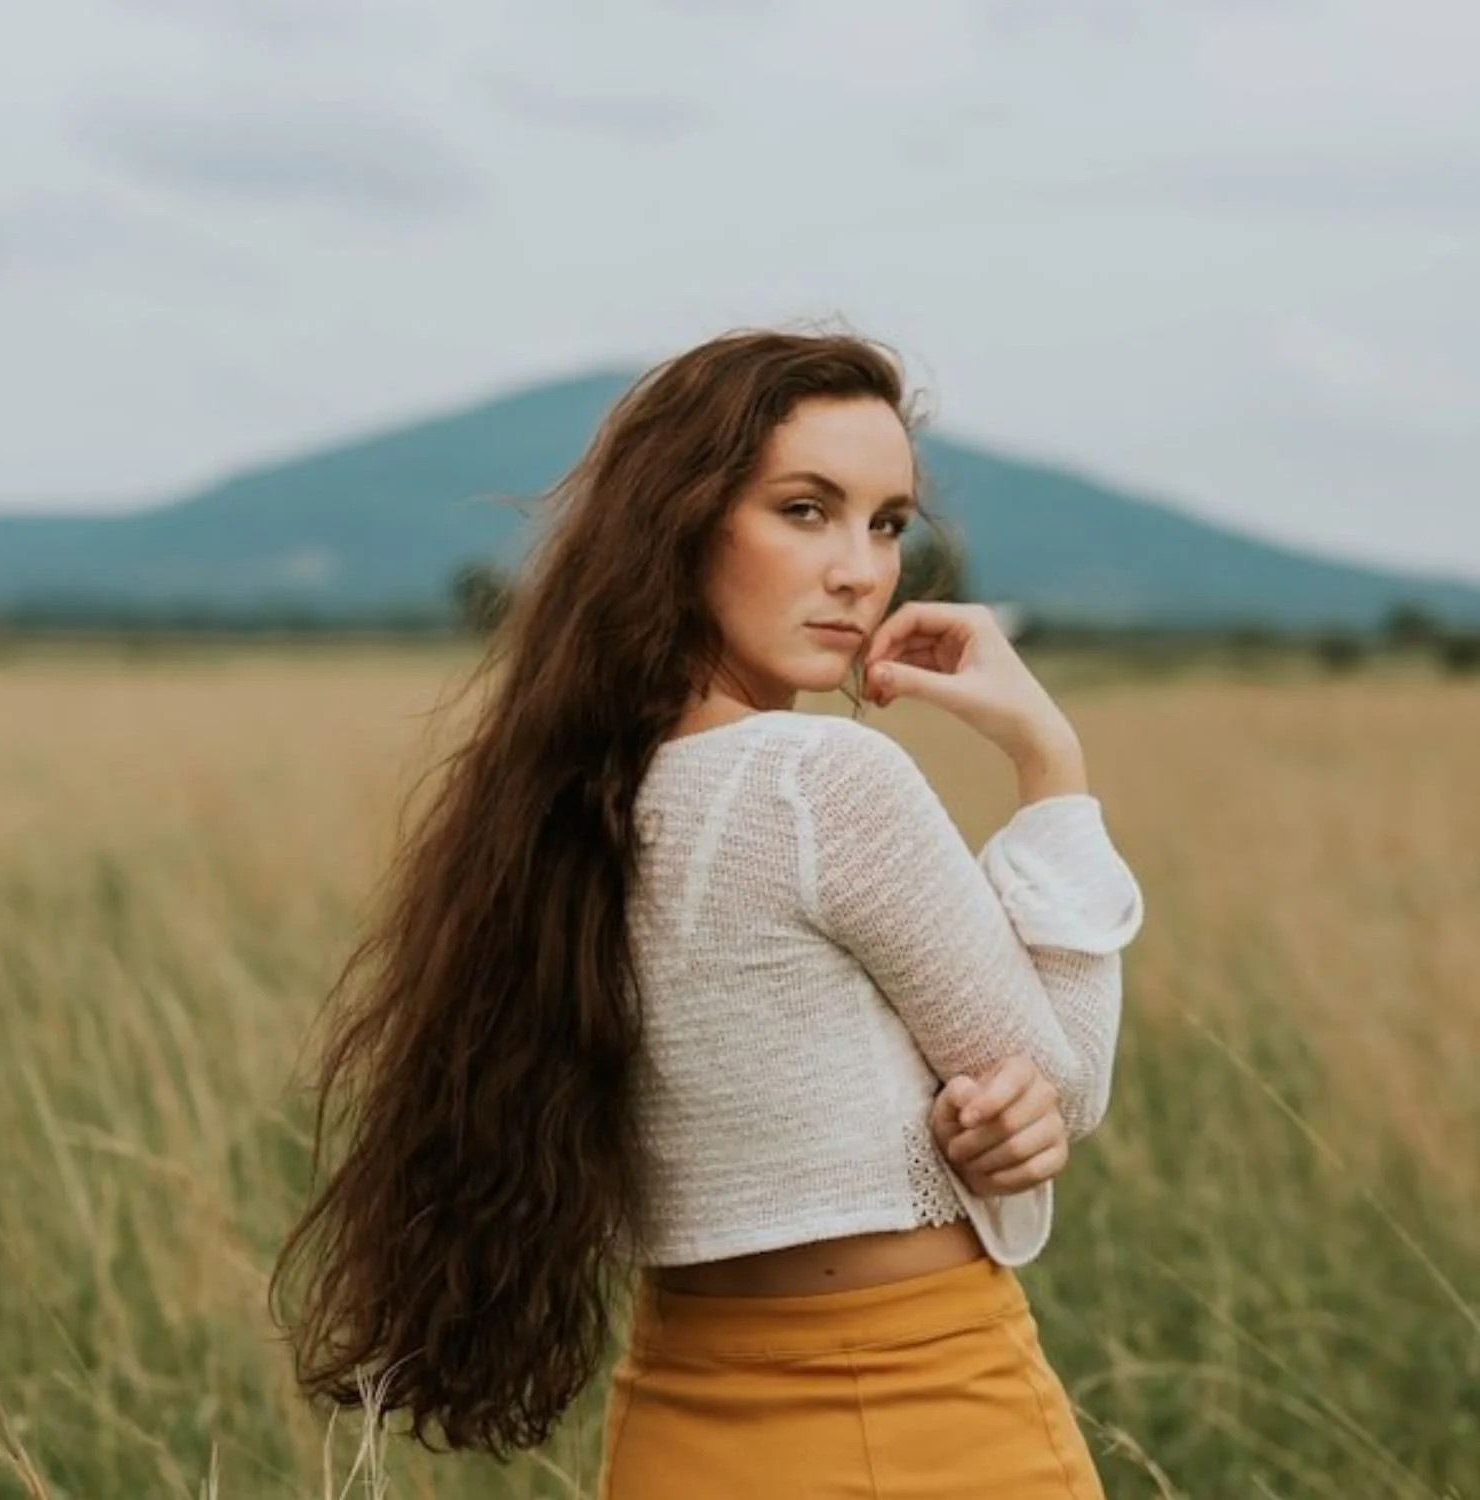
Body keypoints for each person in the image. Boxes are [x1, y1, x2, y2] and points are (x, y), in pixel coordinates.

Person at [270, 328, 1146, 1498]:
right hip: (922, 1410)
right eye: (805, 511)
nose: (862, 570)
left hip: (676, 1422)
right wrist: (1049, 758)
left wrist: (1004, 1118)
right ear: (680, 521)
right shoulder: (820, 778)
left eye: (888, 524)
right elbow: (1068, 1086)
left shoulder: (560, 805)